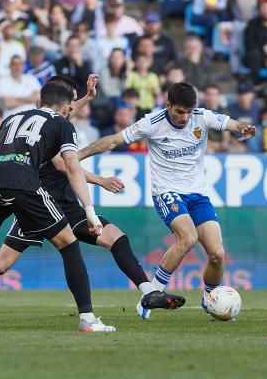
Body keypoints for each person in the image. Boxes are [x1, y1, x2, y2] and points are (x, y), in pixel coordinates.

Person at [0, 75, 185, 319]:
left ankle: (149, 292)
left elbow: (62, 111)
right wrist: (100, 180)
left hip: (61, 204)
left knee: (116, 238)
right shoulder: (51, 130)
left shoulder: (35, 121)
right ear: (64, 103)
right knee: (1, 264)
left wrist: (88, 97)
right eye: (73, 101)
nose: (74, 106)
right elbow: (64, 165)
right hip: (38, 202)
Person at [0, 79, 112, 333]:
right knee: (69, 244)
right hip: (23, 183)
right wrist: (90, 212)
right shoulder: (62, 123)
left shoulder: (9, 120)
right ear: (67, 108)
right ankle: (88, 319)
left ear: (40, 101)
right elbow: (72, 167)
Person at [78, 82, 256, 319]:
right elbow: (112, 141)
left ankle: (211, 298)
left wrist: (243, 127)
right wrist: (77, 156)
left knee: (217, 255)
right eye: (179, 112)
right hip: (167, 191)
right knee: (188, 237)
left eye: (189, 112)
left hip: (198, 195)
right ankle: (151, 294)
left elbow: (231, 124)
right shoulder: (152, 123)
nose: (185, 118)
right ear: (168, 105)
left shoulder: (201, 117)